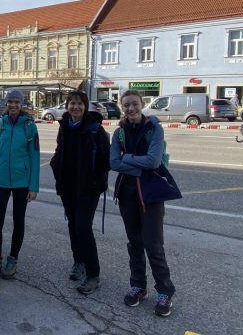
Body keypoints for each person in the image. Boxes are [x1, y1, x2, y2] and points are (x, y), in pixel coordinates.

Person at [110, 89, 176, 317]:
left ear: (142, 104)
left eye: (134, 104)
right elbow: (113, 163)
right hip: (127, 194)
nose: (131, 108)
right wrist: (138, 164)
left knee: (153, 245)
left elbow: (154, 161)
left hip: (151, 195)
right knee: (135, 243)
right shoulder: (118, 133)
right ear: (122, 107)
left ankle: (165, 291)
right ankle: (139, 286)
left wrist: (127, 159)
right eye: (126, 105)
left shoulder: (154, 129)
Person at [49, 91, 110, 295]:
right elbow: (60, 151)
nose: (75, 107)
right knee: (73, 225)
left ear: (85, 106)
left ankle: (93, 275)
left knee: (83, 227)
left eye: (79, 104)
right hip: (68, 186)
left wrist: (95, 180)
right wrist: (56, 167)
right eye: (72, 103)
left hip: (88, 188)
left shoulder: (95, 129)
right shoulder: (65, 126)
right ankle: (79, 261)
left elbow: (105, 160)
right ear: (67, 106)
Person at [0, 89, 39, 279]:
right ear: (6, 104)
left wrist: (33, 186)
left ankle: (13, 258)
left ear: (22, 104)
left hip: (21, 182)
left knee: (19, 220)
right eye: (10, 102)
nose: (13, 105)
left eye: (17, 102)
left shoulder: (29, 126)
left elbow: (34, 156)